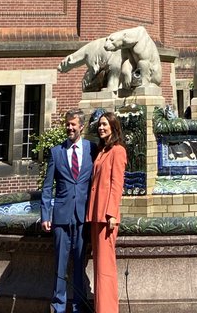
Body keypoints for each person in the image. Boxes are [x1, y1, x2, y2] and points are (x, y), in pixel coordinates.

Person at [41, 109, 94, 313]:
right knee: (60, 265)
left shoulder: (92, 149)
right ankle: (58, 306)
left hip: (82, 217)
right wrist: (46, 214)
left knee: (80, 265)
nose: (70, 128)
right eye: (67, 124)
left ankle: (78, 306)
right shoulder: (56, 152)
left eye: (73, 125)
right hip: (61, 217)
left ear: (82, 126)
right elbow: (47, 187)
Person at [86, 111, 127, 313]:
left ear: (113, 127)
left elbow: (116, 184)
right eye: (99, 125)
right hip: (95, 214)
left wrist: (111, 214)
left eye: (105, 125)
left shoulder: (118, 151)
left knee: (105, 268)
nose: (101, 128)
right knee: (99, 268)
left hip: (106, 216)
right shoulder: (102, 151)